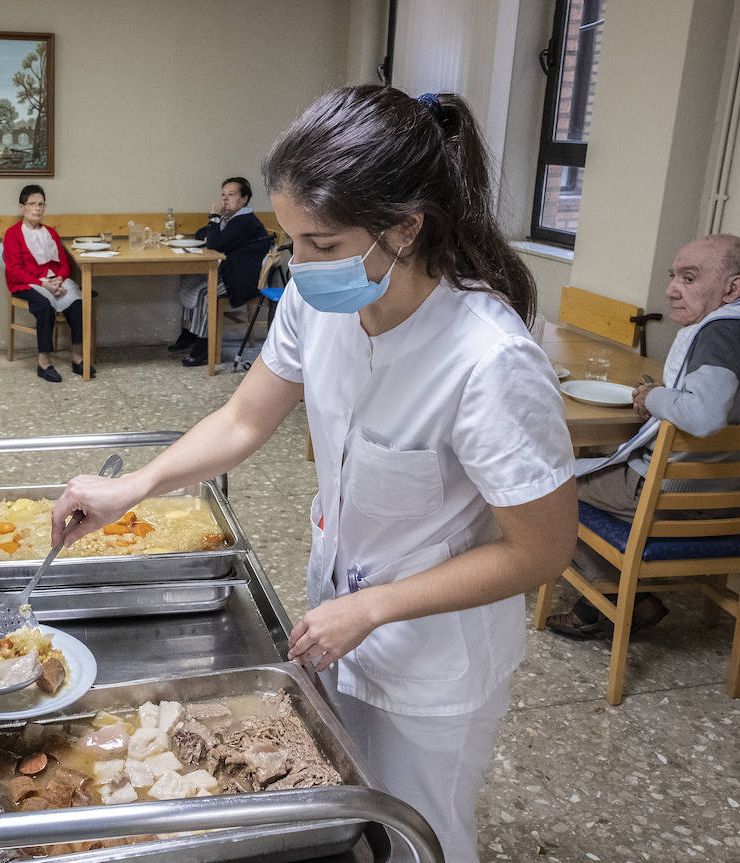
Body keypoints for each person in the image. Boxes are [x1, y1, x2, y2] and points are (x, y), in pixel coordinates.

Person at [49, 87, 576, 863]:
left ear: (405, 226)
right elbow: (244, 419)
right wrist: (132, 488)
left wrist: (376, 608)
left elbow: (541, 550)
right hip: (339, 620)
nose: (300, 265)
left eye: (322, 243)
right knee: (347, 814)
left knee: (418, 835)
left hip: (430, 655)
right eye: (289, 239)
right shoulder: (317, 300)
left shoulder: (487, 361)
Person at [545, 234, 740, 639]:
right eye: (674, 276)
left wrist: (654, 396)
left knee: (546, 489)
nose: (671, 289)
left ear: (732, 288)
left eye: (688, 279)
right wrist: (664, 395)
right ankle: (628, 598)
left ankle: (619, 600)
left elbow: (705, 417)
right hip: (736, 497)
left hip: (678, 495)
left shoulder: (718, 334)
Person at [169, 177, 272, 367]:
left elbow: (215, 245)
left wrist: (214, 219)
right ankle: (189, 333)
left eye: (231, 195)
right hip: (228, 271)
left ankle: (204, 346)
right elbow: (202, 234)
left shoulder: (244, 221)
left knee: (204, 293)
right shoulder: (229, 219)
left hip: (241, 279)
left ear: (244, 199)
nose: (225, 199)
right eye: (223, 194)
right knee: (188, 279)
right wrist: (214, 227)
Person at [2, 184, 87, 381]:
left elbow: (65, 264)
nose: (38, 208)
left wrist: (60, 278)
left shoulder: (51, 233)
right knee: (44, 307)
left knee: (78, 304)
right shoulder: (13, 234)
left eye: (41, 204)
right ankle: (44, 362)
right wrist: (42, 283)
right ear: (22, 207)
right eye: (32, 204)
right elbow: (14, 270)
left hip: (54, 280)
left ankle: (77, 357)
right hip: (26, 283)